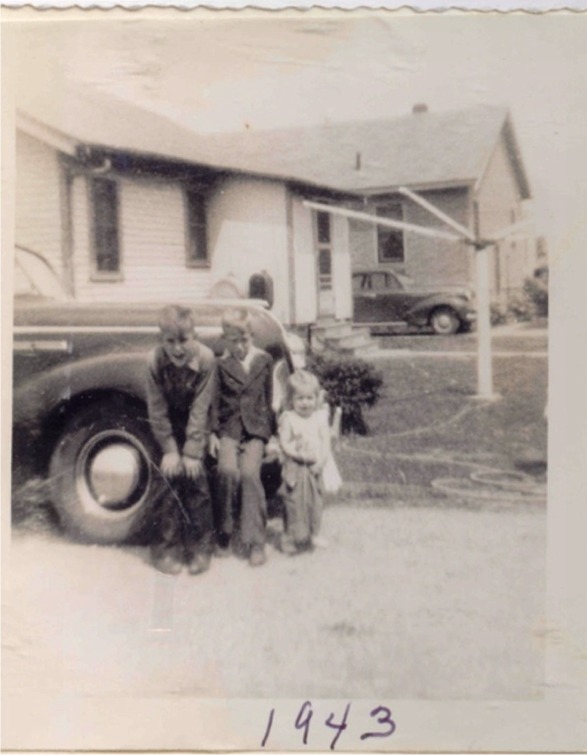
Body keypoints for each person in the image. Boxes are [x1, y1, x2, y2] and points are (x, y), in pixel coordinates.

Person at [146, 304, 216, 575]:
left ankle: (201, 548)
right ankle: (165, 549)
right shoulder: (153, 361)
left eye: (184, 340)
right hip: (167, 427)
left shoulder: (206, 359)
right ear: (160, 340)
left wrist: (192, 451)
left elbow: (201, 408)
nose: (177, 349)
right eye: (170, 341)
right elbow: (156, 409)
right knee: (166, 480)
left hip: (196, 425)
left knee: (197, 481)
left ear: (195, 337)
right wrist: (169, 449)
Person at [209, 309, 274, 567]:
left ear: (252, 336)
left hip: (256, 430)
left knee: (249, 474)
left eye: (244, 339)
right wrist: (213, 433)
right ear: (225, 340)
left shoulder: (264, 360)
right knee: (226, 471)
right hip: (229, 429)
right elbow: (214, 402)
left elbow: (268, 400)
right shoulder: (220, 365)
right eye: (233, 341)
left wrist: (272, 435)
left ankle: (255, 540)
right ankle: (224, 532)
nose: (239, 346)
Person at [278, 369, 333, 555]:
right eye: (300, 398)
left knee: (315, 501)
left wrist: (321, 462)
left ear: (316, 398)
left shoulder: (319, 417)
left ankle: (314, 533)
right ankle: (289, 537)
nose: (305, 403)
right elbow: (284, 443)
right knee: (293, 503)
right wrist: (298, 454)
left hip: (314, 467)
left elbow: (325, 442)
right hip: (295, 467)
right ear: (291, 400)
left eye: (310, 398)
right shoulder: (289, 418)